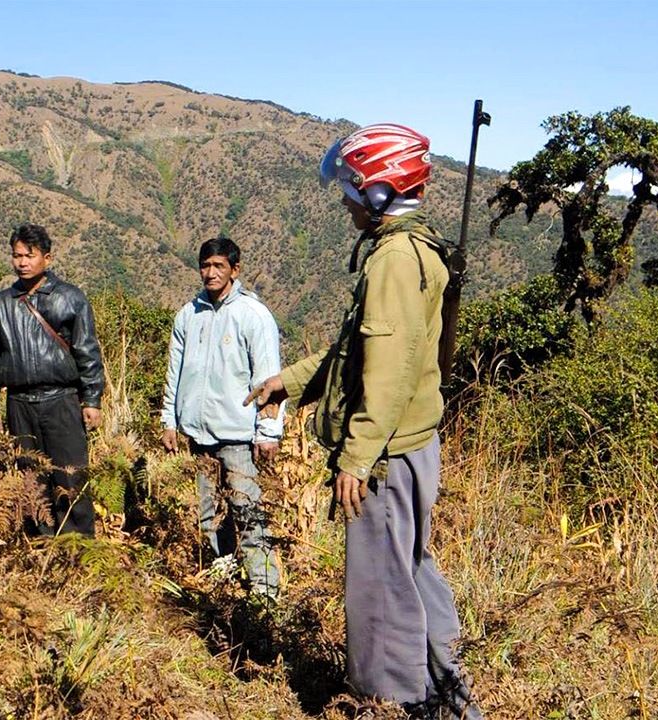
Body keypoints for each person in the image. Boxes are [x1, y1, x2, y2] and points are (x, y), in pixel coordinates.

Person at [246, 124, 482, 718]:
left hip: (386, 453)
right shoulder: (411, 249)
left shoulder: (394, 260)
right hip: (408, 445)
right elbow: (358, 352)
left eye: (352, 187)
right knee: (411, 566)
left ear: (379, 190)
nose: (345, 199)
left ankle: (394, 702)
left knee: (379, 586)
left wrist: (357, 456)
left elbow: (392, 370)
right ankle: (446, 692)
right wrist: (292, 383)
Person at [160, 236, 285, 597]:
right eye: (205, 265)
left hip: (238, 435)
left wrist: (268, 431)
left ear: (235, 269)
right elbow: (175, 372)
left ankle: (264, 591)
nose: (210, 273)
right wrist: (170, 420)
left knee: (247, 514)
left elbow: (269, 378)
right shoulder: (189, 314)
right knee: (209, 516)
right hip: (198, 434)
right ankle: (224, 581)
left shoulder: (252, 315)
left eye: (218, 266)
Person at [0, 224, 106, 536]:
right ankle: (40, 549)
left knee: (71, 477)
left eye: (29, 256)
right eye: (16, 256)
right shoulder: (0, 304)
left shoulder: (70, 298)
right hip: (20, 403)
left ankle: (80, 549)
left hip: (61, 400)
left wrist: (91, 399)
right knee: (31, 482)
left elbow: (87, 351)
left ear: (47, 258)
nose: (22, 262)